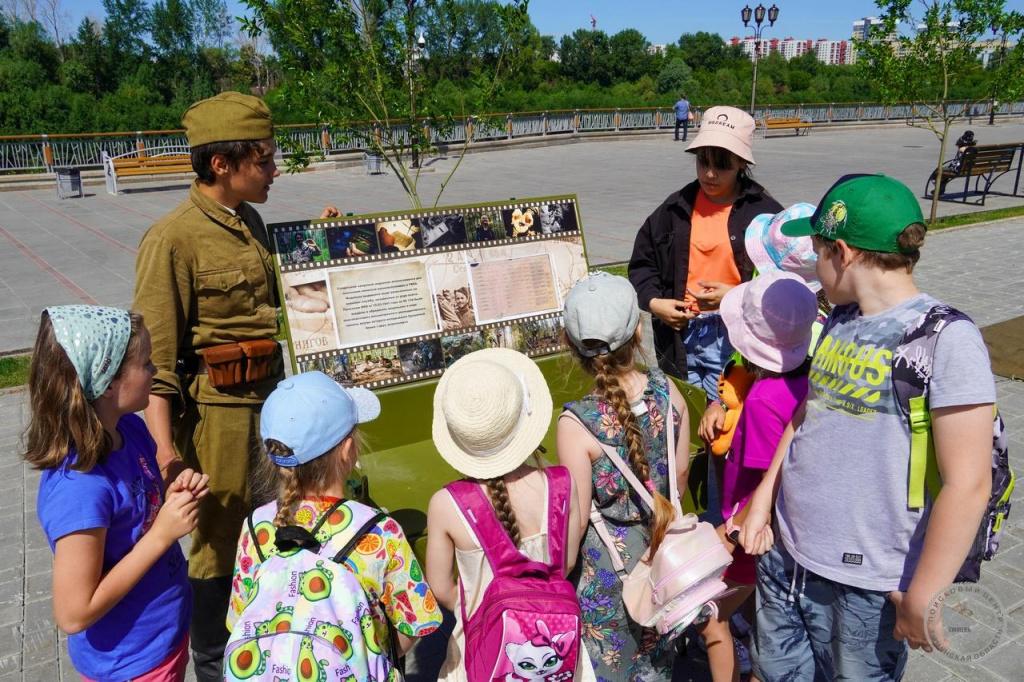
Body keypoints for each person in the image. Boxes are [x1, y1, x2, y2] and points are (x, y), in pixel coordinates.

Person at [738, 175, 996, 680]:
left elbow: (969, 482)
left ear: (842, 251)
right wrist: (764, 498)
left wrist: (924, 592)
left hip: (866, 583)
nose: (814, 266)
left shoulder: (946, 337)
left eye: (816, 251)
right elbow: (808, 413)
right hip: (786, 553)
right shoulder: (841, 317)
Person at [132, 91, 340, 681]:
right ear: (222, 164)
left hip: (269, 406)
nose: (275, 170)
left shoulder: (248, 222)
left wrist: (314, 246)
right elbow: (158, 364)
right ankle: (212, 659)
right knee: (218, 543)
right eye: (265, 159)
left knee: (278, 520)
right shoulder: (172, 240)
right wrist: (167, 454)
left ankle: (271, 633)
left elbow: (272, 298)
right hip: (217, 418)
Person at [25, 305, 210, 681]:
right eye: (146, 364)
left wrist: (174, 490)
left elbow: (141, 508)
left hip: (162, 639)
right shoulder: (80, 488)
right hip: (130, 665)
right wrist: (162, 535)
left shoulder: (130, 430)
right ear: (108, 381)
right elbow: (74, 613)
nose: (155, 372)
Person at [226, 371, 442, 676]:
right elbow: (416, 623)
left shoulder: (256, 528)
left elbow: (239, 618)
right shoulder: (379, 530)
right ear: (347, 450)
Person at [556, 272, 691, 681]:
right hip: (663, 563)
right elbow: (679, 477)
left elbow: (577, 520)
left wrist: (552, 577)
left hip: (609, 581)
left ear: (570, 343)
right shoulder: (669, 390)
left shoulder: (577, 423)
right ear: (637, 329)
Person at [424, 348, 588, 681]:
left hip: (482, 654)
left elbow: (440, 587)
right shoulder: (559, 484)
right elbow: (566, 563)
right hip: (556, 650)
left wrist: (486, 608)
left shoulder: (447, 504)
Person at [704, 272, 818, 681]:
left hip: (750, 535)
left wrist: (731, 530)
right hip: (781, 536)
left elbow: (770, 479)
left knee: (712, 614)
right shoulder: (806, 381)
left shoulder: (764, 401)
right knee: (760, 617)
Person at [629, 105, 783, 400]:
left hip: (734, 337)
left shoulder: (765, 214)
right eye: (703, 162)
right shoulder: (675, 207)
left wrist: (737, 296)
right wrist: (654, 302)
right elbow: (642, 262)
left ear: (741, 163)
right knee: (685, 421)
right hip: (679, 336)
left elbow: (787, 286)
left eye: (722, 164)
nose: (710, 174)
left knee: (725, 428)